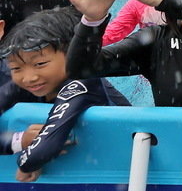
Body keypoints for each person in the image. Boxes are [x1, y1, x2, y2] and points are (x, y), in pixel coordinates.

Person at [0, 10, 130, 181]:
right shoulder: (25, 86)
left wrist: (26, 162)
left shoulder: (83, 83)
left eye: (40, 64)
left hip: (119, 171)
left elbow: (43, 149)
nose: (29, 77)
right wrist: (18, 140)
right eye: (16, 68)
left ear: (73, 54)